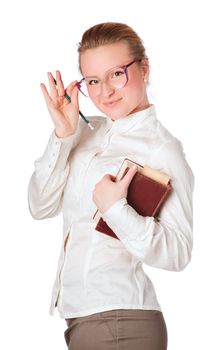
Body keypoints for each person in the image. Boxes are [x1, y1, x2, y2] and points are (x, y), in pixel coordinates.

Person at [27, 22, 194, 350]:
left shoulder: (162, 149)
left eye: (116, 73)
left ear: (144, 68)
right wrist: (63, 134)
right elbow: (40, 206)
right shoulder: (87, 133)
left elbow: (179, 252)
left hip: (121, 320)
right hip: (83, 319)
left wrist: (115, 209)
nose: (105, 92)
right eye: (92, 81)